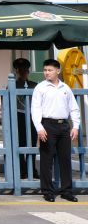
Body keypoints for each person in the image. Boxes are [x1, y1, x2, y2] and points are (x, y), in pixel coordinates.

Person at [30, 59, 80, 202]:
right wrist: (39, 127)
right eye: (45, 70)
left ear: (58, 71)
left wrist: (75, 126)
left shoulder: (65, 88)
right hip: (47, 126)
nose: (47, 72)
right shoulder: (40, 88)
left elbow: (74, 108)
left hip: (64, 126)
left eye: (50, 70)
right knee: (46, 160)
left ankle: (67, 191)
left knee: (65, 160)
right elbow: (35, 109)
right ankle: (47, 191)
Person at [12, 58, 39, 179]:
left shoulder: (34, 85)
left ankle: (32, 169)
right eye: (20, 70)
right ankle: (22, 170)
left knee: (32, 143)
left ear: (28, 71)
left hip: (32, 117)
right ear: (16, 71)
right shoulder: (12, 85)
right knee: (20, 144)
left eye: (25, 70)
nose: (23, 72)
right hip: (18, 116)